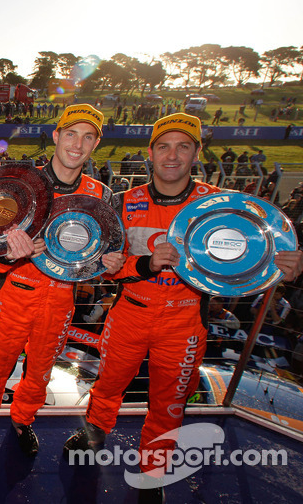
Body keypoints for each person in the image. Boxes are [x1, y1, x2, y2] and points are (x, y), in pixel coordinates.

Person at [62, 113, 303, 501]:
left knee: (170, 402)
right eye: (163, 146)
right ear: (150, 154)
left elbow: (254, 255)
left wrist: (285, 266)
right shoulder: (124, 202)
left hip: (185, 320)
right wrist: (145, 263)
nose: (172, 156)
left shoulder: (220, 205)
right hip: (130, 313)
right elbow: (107, 264)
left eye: (183, 147)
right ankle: (94, 431)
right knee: (108, 384)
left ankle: (153, 469)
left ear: (196, 153)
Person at [0, 104, 125, 456]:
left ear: (95, 144)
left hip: (60, 300)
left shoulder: (101, 194)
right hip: (13, 293)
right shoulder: (20, 183)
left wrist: (110, 261)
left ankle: (23, 420)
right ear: (56, 136)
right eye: (70, 133)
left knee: (39, 373)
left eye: (88, 137)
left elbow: (98, 255)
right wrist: (9, 253)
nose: (77, 144)